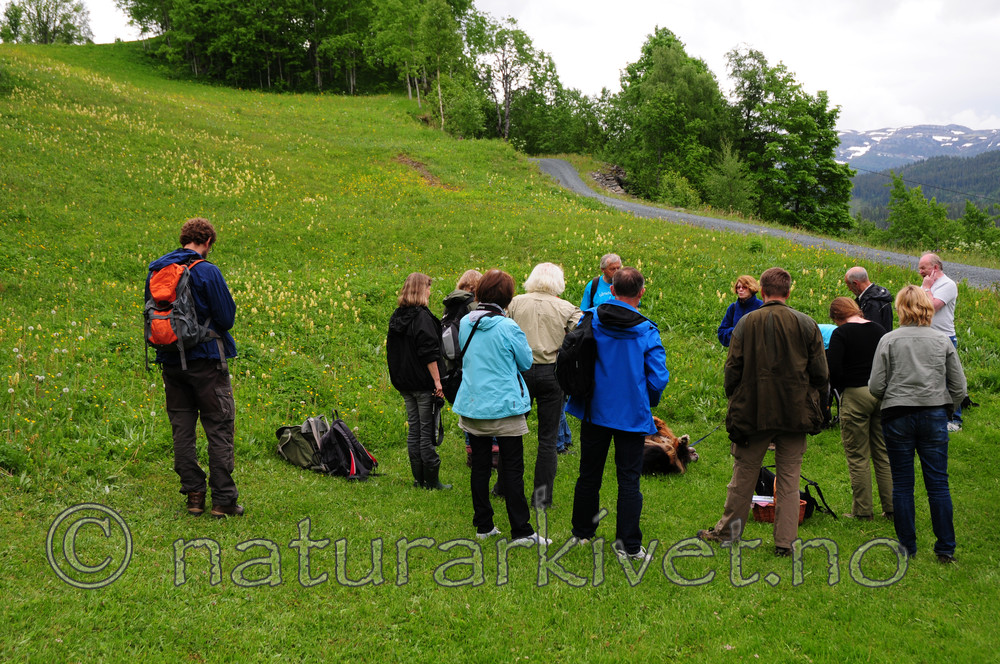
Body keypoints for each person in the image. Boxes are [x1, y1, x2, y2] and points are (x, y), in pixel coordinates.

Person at [698, 267, 828, 557]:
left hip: (753, 411)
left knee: (744, 475)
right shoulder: (807, 324)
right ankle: (785, 542)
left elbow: (732, 369)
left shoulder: (746, 322)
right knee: (789, 479)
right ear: (788, 292)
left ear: (764, 291)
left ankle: (727, 534)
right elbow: (821, 373)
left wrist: (734, 398)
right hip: (794, 414)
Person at [567, 267, 670, 561]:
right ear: (641, 292)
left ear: (611, 290)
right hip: (632, 414)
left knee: (589, 474)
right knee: (628, 480)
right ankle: (629, 546)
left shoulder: (590, 318)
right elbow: (658, 379)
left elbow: (574, 355)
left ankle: (582, 534)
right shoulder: (647, 330)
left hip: (595, 409)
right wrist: (646, 399)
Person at [146, 217, 241, 518]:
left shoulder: (158, 270)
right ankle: (223, 500)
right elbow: (226, 318)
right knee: (219, 427)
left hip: (171, 363)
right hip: (207, 363)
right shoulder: (207, 271)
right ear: (208, 241)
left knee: (182, 431)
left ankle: (194, 496)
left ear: (183, 238)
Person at [869, 285, 966, 563]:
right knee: (938, 483)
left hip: (897, 414)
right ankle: (945, 548)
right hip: (933, 413)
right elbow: (959, 386)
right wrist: (946, 409)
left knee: (902, 483)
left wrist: (893, 397)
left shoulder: (889, 340)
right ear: (927, 307)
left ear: (900, 308)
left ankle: (907, 547)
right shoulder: (941, 340)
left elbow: (876, 386)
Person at [452, 269, 549, 545]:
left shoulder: (466, 322)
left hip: (473, 404)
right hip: (505, 406)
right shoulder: (508, 327)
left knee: (480, 468)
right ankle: (521, 530)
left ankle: (483, 525)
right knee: (513, 469)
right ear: (507, 297)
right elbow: (526, 361)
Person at [508, 262, 582, 509]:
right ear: (558, 283)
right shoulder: (567, 308)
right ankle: (541, 499)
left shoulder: (515, 303)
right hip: (552, 373)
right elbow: (582, 335)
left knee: (511, 431)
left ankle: (504, 486)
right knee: (548, 439)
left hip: (520, 372)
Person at [827, 297, 892, 521]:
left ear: (837, 316)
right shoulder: (879, 329)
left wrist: (841, 387)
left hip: (855, 394)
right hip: (881, 394)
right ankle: (892, 507)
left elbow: (833, 368)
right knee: (882, 453)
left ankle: (863, 510)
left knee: (858, 455)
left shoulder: (841, 333)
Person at [386, 273, 450, 490]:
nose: (430, 292)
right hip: (423, 383)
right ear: (422, 290)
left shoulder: (397, 316)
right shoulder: (422, 317)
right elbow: (429, 353)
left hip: (405, 382)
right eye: (428, 288)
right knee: (427, 430)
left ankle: (418, 478)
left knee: (414, 430)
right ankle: (431, 480)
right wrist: (438, 381)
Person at [918, 253, 963, 432]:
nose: (920, 271)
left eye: (923, 268)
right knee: (929, 378)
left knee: (948, 380)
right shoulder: (927, 284)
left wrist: (926, 288)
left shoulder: (947, 284)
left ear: (935, 268)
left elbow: (932, 307)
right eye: (920, 268)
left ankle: (955, 420)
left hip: (944, 338)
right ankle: (933, 415)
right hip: (926, 336)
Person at [717, 275, 763, 347]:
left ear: (751, 288)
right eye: (738, 287)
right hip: (736, 350)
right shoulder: (733, 307)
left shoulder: (761, 307)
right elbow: (721, 332)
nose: (741, 290)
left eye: (744, 287)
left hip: (756, 351)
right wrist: (736, 333)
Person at [845, 266, 894, 331]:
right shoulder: (881, 295)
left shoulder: (871, 303)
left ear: (855, 284)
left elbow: (869, 331)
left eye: (849, 286)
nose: (849, 289)